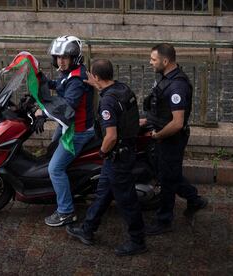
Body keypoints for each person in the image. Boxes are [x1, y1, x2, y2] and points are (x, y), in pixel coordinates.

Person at [66, 59, 147, 256]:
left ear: (97, 77)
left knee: (126, 200)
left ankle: (138, 240)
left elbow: (111, 136)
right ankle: (88, 230)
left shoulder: (107, 102)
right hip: (125, 151)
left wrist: (102, 152)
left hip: (116, 156)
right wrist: (97, 84)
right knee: (103, 192)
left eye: (92, 75)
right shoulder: (123, 89)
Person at [140, 43, 208, 236]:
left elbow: (177, 123)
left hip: (170, 139)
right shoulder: (166, 78)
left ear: (165, 61)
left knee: (167, 179)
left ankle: (164, 221)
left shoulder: (177, 86)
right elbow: (161, 112)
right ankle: (194, 199)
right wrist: (145, 122)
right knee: (169, 174)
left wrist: (158, 136)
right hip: (163, 135)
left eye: (153, 59)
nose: (150, 62)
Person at [36, 35, 95, 227]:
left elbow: (67, 106)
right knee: (52, 153)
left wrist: (43, 113)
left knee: (55, 168)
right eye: (58, 57)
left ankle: (66, 212)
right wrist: (42, 80)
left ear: (74, 58)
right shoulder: (69, 73)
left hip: (77, 131)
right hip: (68, 127)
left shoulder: (77, 79)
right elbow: (59, 86)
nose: (60, 61)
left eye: (65, 57)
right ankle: (70, 191)